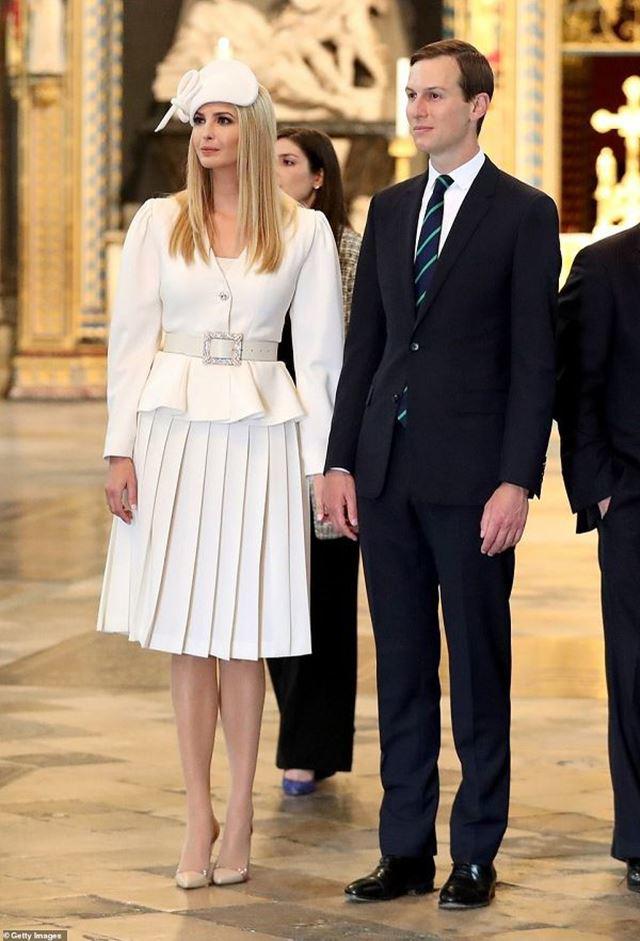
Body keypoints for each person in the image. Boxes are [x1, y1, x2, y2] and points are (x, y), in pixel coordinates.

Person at [323, 39, 560, 909]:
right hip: (385, 475)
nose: (417, 109)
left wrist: (517, 480)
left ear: (478, 104)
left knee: (479, 670)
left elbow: (536, 361)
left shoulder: (524, 213)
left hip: (473, 483)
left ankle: (475, 853)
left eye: (433, 95)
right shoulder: (390, 208)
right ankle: (405, 849)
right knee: (402, 668)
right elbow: (366, 347)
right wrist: (339, 458)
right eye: (412, 95)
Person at [96, 59, 344, 890]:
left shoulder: (303, 231)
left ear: (255, 128)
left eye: (223, 119)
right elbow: (131, 340)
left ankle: (240, 809)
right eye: (199, 120)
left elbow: (321, 361)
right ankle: (196, 810)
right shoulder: (158, 221)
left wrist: (323, 469)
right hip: (171, 431)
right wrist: (119, 448)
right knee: (186, 630)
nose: (206, 133)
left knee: (245, 629)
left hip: (262, 437)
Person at [267, 128, 361, 797]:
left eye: (288, 162)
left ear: (319, 176)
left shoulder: (346, 248)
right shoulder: (254, 246)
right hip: (260, 440)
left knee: (324, 597)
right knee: (269, 593)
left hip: (325, 441)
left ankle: (309, 746)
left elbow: (352, 354)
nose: (274, 172)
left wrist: (342, 455)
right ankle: (305, 737)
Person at [556, 226, 640, 895]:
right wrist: (604, 489)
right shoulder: (605, 264)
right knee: (637, 670)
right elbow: (573, 385)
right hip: (636, 497)